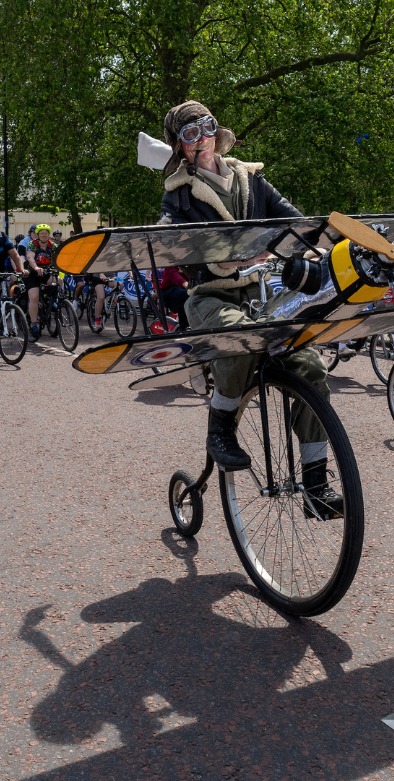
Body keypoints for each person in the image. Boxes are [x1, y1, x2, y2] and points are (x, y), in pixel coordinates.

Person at [157, 100, 342, 515]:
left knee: (310, 366)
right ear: (180, 148)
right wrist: (211, 255)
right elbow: (172, 248)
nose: (200, 137)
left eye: (205, 126)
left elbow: (295, 225)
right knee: (241, 341)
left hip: (260, 294)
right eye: (189, 133)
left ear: (215, 130)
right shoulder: (178, 197)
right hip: (211, 296)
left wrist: (308, 255)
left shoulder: (252, 181)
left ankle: (316, 483)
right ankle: (220, 427)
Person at [19, 224, 58, 339]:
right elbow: (30, 258)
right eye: (42, 233)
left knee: (58, 281)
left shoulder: (53, 245)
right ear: (37, 235)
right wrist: (36, 267)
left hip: (46, 271)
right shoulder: (33, 244)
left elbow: (58, 258)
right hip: (32, 273)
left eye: (46, 233)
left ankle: (51, 300)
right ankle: (34, 324)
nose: (44, 235)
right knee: (34, 297)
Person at [158, 265, 191, 330]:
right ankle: (184, 328)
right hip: (169, 289)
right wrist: (184, 283)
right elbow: (172, 273)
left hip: (184, 288)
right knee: (185, 294)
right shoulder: (172, 258)